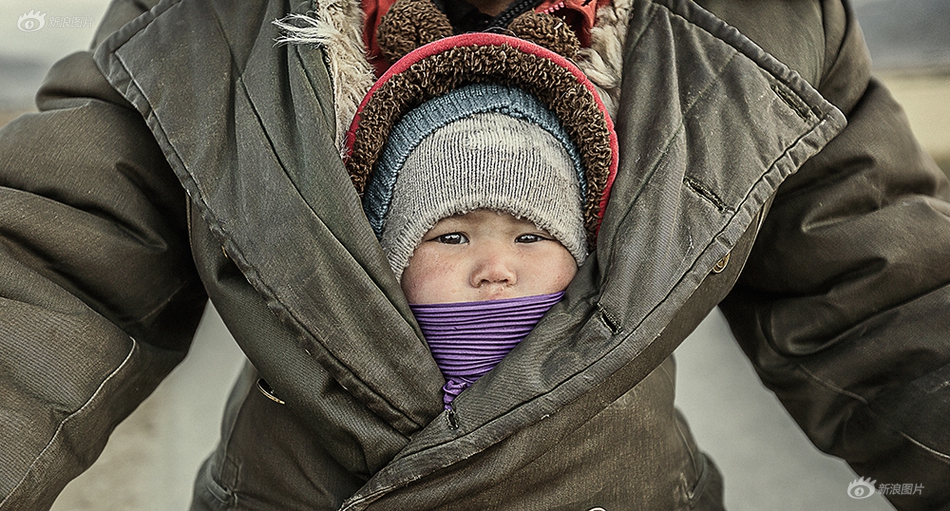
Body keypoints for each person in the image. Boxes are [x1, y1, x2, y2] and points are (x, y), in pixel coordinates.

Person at [0, 0, 948, 510]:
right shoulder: (201, 24)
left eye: (530, 239)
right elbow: (54, 264)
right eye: (452, 238)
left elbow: (889, 299)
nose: (493, 266)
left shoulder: (769, 22)